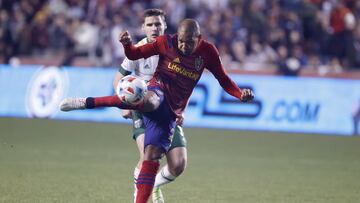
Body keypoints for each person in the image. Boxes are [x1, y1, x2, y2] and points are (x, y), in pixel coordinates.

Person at [60, 18, 254, 203]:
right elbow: (134, 54)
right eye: (181, 41)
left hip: (171, 114)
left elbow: (223, 79)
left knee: (152, 157)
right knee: (149, 101)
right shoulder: (165, 42)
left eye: (189, 42)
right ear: (177, 36)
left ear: (199, 37)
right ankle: (86, 102)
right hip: (157, 91)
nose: (184, 46)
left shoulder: (208, 52)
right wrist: (127, 45)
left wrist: (239, 94)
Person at [114, 9, 187, 203]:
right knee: (148, 156)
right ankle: (141, 195)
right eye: (150, 24)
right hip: (143, 109)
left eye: (158, 24)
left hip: (168, 110)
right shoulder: (137, 50)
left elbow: (184, 84)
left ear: (164, 26)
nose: (154, 28)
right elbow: (119, 78)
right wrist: (124, 104)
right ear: (143, 28)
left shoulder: (177, 50)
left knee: (178, 165)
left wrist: (182, 110)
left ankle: (153, 184)